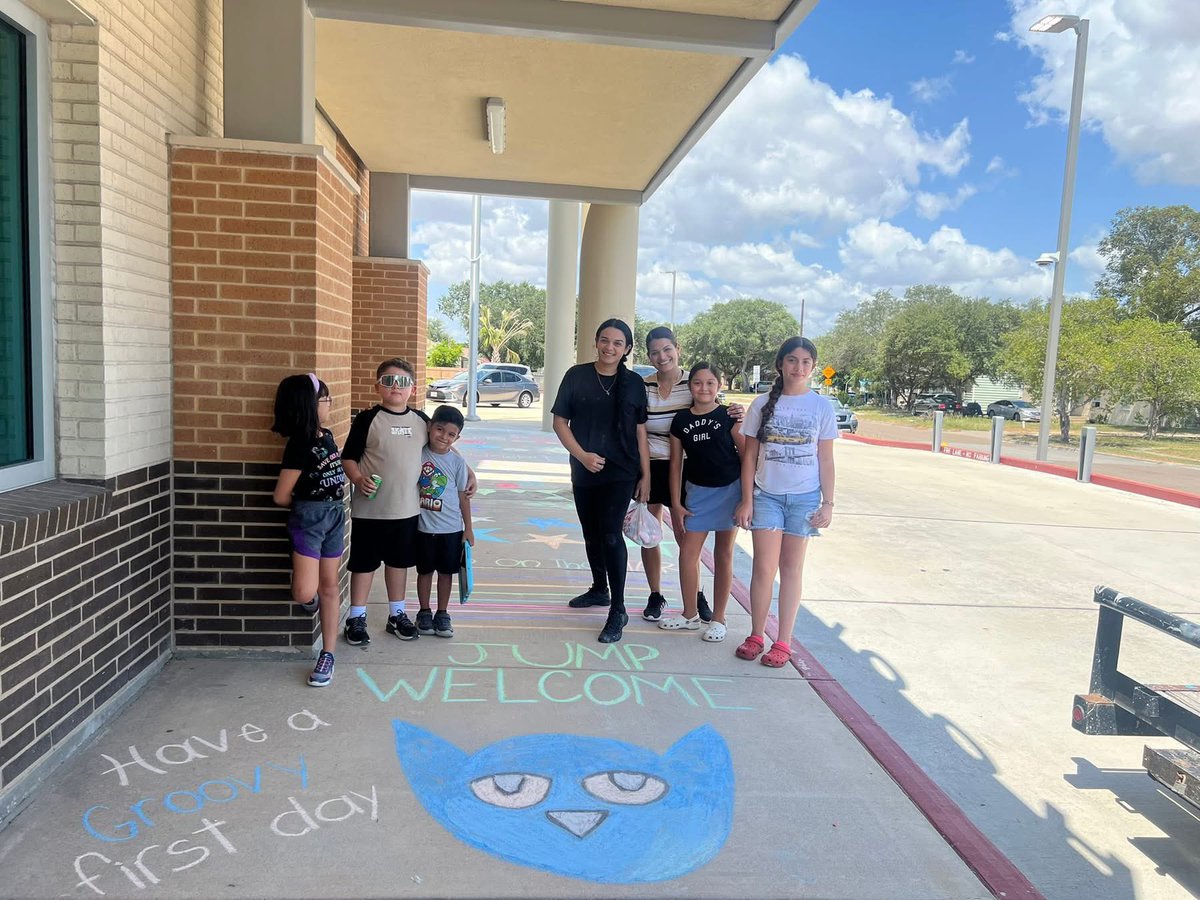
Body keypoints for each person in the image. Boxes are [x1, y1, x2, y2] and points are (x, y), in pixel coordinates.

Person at [734, 337, 837, 668]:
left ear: (813, 367)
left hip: (805, 498)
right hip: (767, 496)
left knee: (791, 569)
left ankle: (784, 641)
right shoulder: (761, 404)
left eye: (806, 362)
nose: (799, 367)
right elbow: (749, 456)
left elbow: (826, 459)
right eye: (792, 360)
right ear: (780, 364)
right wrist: (746, 500)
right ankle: (756, 634)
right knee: (763, 569)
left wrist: (828, 504)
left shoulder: (821, 407)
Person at [551, 318, 650, 643]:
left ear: (627, 349)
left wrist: (645, 475)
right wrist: (582, 455)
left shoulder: (635, 382)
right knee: (591, 535)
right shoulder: (576, 376)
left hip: (621, 471)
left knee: (610, 536)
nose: (610, 347)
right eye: (605, 340)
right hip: (584, 468)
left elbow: (640, 431)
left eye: (617, 343)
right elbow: (560, 422)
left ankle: (618, 609)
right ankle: (599, 589)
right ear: (596, 341)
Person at [340, 358, 430, 646]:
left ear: (413, 389)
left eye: (402, 382)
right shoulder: (367, 420)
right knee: (364, 565)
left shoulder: (422, 422)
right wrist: (356, 478)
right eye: (389, 381)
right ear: (377, 385)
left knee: (399, 563)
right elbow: (349, 457)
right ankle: (356, 616)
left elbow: (440, 453)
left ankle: (397, 614)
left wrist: (466, 473)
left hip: (406, 509)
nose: (396, 387)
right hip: (371, 510)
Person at [271, 373, 346, 687]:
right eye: (325, 399)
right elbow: (280, 495)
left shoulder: (326, 435)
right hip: (309, 519)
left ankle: (327, 653)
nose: (329, 404)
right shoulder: (298, 445)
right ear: (309, 405)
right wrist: (306, 510)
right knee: (305, 591)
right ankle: (309, 600)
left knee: (330, 587)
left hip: (335, 516)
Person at [660, 363, 743, 642]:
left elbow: (747, 455)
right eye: (698, 383)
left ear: (719, 385)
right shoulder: (680, 420)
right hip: (696, 493)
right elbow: (675, 466)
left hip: (730, 491)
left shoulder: (728, 416)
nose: (704, 388)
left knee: (724, 555)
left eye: (710, 383)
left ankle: (718, 619)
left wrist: (748, 497)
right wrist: (676, 503)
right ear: (690, 386)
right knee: (687, 553)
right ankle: (689, 614)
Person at [415, 405, 475, 638]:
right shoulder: (418, 454)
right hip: (423, 527)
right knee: (425, 572)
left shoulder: (457, 463)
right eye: (440, 429)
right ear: (429, 427)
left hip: (451, 529)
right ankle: (424, 612)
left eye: (451, 434)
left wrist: (468, 528)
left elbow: (463, 495)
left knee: (446, 573)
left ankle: (442, 613)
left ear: (457, 438)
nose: (444, 437)